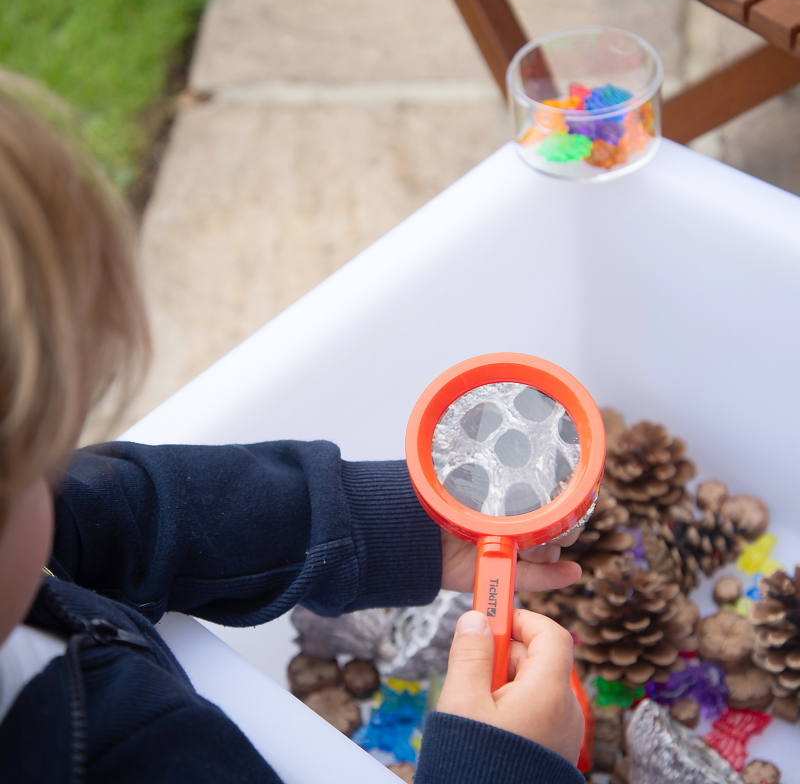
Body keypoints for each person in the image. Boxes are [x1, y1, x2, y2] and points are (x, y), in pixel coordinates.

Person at [0, 84, 585, 783]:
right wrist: (501, 766)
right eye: (38, 469)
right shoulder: (131, 760)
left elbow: (124, 515)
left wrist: (393, 520)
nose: (61, 481)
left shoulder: (21, 577)